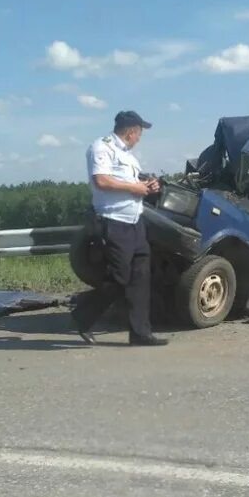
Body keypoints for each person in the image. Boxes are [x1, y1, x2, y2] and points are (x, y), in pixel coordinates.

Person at [71, 110, 168, 346]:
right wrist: (134, 189)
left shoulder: (129, 156)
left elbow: (131, 182)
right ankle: (82, 316)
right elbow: (101, 181)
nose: (140, 138)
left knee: (140, 279)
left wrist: (148, 185)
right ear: (132, 131)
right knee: (119, 279)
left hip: (135, 223)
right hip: (114, 223)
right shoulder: (101, 148)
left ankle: (140, 333)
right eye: (140, 133)